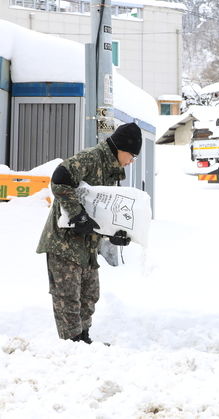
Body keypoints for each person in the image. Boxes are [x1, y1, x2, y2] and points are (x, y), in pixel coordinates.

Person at [37, 123, 142, 344]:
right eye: (132, 156)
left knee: (89, 294)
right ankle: (72, 344)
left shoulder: (111, 170)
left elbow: (99, 208)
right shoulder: (91, 158)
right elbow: (59, 178)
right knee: (68, 297)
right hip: (64, 242)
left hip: (87, 244)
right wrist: (78, 215)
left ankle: (83, 340)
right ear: (121, 148)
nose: (131, 161)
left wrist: (113, 234)